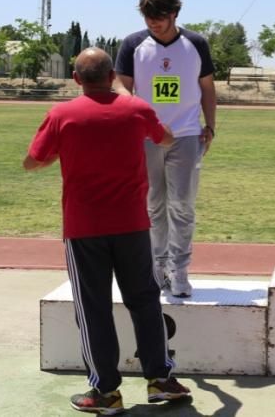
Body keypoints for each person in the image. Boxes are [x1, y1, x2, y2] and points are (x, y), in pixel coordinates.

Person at [24, 47, 191, 415]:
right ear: (113, 74)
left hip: (85, 228)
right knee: (145, 300)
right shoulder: (137, 110)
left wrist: (60, 153)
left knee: (93, 308)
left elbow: (32, 162)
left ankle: (105, 392)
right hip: (131, 225)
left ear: (76, 79)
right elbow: (166, 139)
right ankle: (160, 380)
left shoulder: (61, 114)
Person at [113, 0, 217, 299]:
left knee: (182, 206)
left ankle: (180, 270)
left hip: (186, 134)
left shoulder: (196, 43)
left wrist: (210, 127)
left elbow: (208, 88)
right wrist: (137, 112)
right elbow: (120, 85)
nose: (152, 23)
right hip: (146, 138)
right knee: (153, 206)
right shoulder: (133, 44)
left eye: (158, 17)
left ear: (174, 13)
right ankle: (158, 268)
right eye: (147, 17)